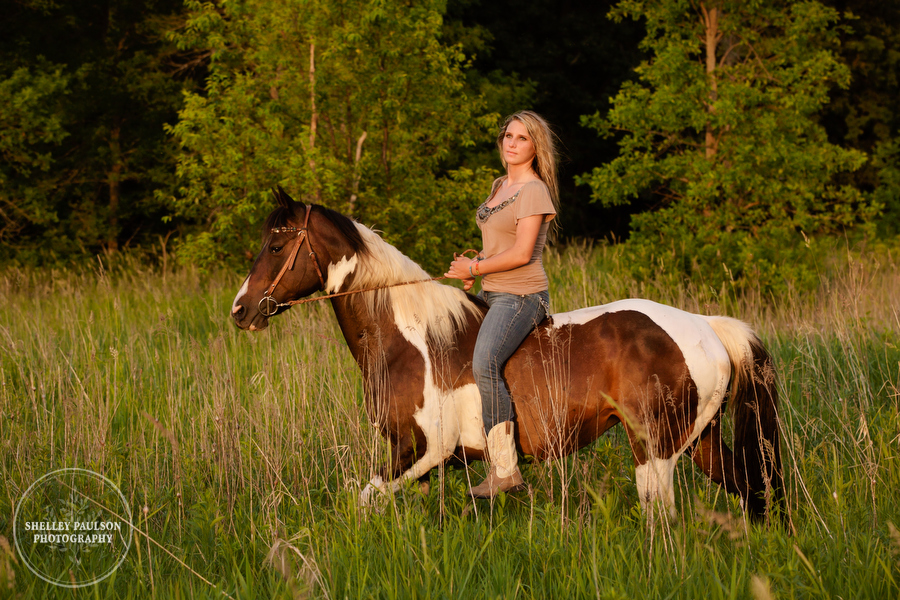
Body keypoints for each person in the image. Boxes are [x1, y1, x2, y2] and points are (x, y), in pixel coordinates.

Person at [445, 110, 560, 499]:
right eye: (507, 136)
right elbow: (499, 244)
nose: (511, 143)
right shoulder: (499, 185)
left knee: (485, 363)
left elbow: (523, 253)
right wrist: (474, 265)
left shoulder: (533, 190)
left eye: (521, 138)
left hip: (521, 295)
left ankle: (506, 470)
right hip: (491, 291)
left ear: (534, 147)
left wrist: (475, 267)